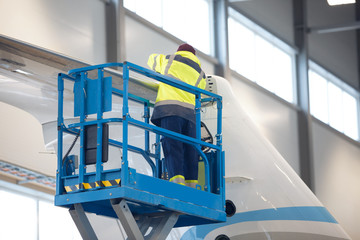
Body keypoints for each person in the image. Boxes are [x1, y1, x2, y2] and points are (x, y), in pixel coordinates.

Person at [147, 43, 206, 188]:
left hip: (170, 110)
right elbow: (201, 90)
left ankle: (177, 184)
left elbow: (150, 60)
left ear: (179, 51)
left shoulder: (170, 59)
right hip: (190, 116)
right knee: (191, 150)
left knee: (173, 145)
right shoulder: (201, 73)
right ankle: (192, 185)